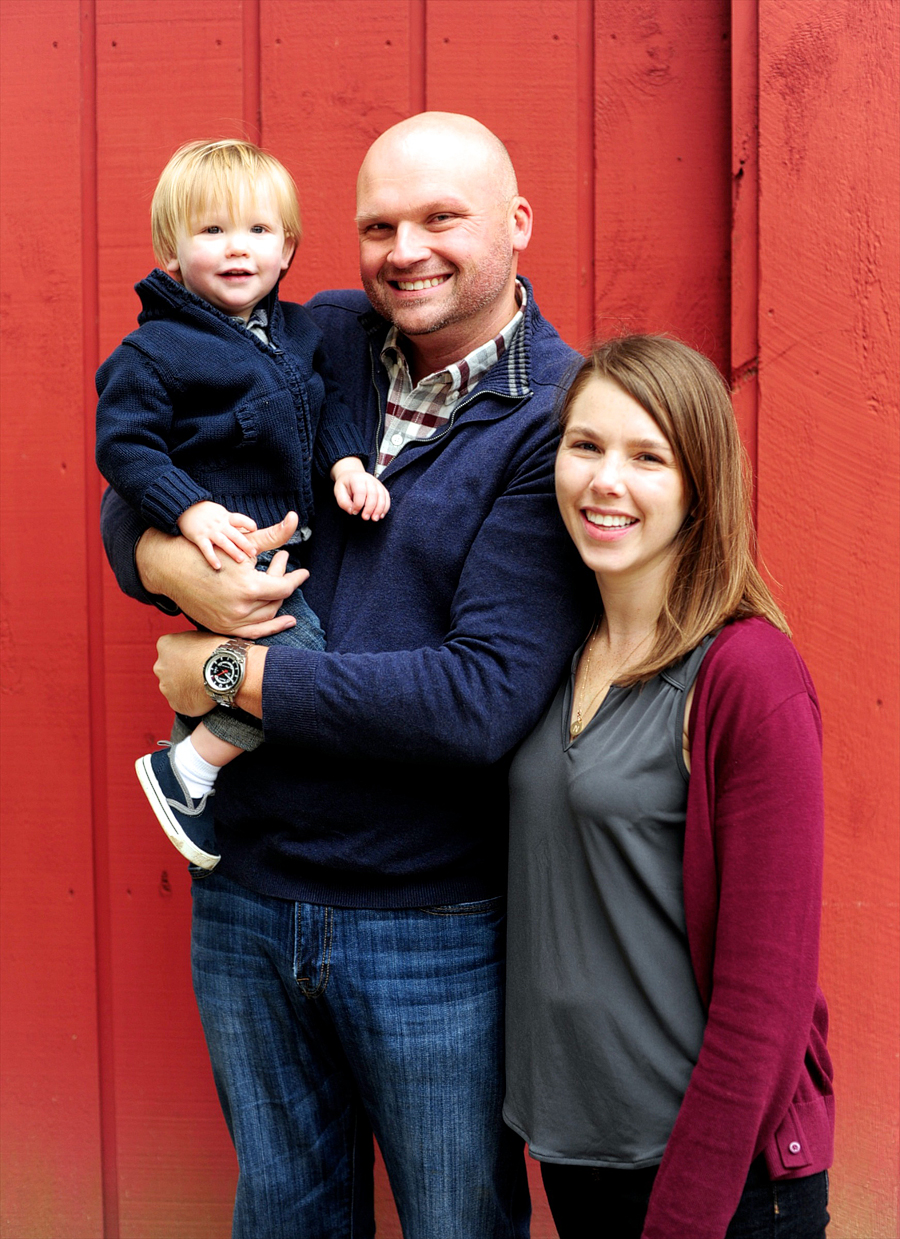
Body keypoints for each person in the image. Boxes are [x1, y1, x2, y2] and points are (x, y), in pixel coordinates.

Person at [99, 113, 592, 1238]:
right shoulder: (310, 340)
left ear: (516, 225)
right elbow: (132, 489)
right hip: (247, 894)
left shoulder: (557, 419)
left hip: (429, 916)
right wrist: (180, 561)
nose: (403, 249)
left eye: (439, 218)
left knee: (455, 1220)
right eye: (379, 225)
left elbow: (476, 701)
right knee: (281, 1215)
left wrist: (223, 671)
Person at [503, 335, 835, 1239]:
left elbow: (764, 1002)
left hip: (715, 1184)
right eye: (586, 446)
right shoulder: (552, 655)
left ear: (700, 484)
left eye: (648, 457)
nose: (607, 480)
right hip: (579, 1160)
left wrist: (685, 1217)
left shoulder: (748, 675)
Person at [95, 139, 389, 872]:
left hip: (293, 544)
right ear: (171, 251)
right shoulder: (156, 351)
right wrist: (189, 513)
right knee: (295, 664)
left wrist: (348, 463)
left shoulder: (299, 332)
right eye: (212, 231)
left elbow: (325, 412)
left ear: (287, 246)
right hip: (220, 548)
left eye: (258, 231)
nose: (237, 249)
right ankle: (187, 769)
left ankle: (197, 757)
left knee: (273, 656)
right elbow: (126, 450)